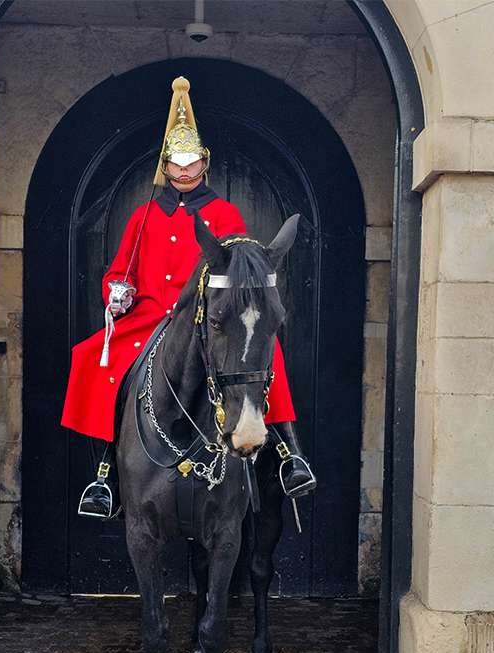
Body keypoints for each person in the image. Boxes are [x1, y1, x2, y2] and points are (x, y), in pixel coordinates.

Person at [61, 77, 315, 518]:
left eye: (191, 162)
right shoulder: (142, 216)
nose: (183, 171)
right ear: (166, 165)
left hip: (208, 314)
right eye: (176, 164)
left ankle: (290, 454)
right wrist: (117, 293)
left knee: (265, 356)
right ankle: (104, 473)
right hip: (147, 318)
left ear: (204, 163)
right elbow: (121, 270)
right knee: (91, 360)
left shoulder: (224, 213)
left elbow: (239, 265)